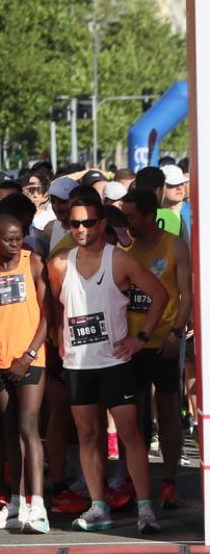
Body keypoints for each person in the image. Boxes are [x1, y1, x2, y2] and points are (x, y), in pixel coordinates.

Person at [46, 196, 168, 533]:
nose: (81, 229)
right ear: (68, 227)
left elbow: (160, 295)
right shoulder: (58, 264)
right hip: (77, 364)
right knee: (87, 436)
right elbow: (56, 304)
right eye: (75, 224)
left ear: (101, 225)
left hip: (115, 361)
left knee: (129, 433)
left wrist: (140, 338)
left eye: (88, 223)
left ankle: (146, 510)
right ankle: (98, 507)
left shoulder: (120, 261)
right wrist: (60, 331)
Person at [0, 214, 49, 533]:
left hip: (30, 359)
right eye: (9, 239)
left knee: (28, 426)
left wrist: (28, 356)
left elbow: (49, 317)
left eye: (19, 238)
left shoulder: (33, 263)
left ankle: (39, 506)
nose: (16, 244)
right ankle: (16, 503)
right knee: (7, 431)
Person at [120, 188, 192, 509]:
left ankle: (170, 481)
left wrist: (177, 334)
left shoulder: (174, 244)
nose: (127, 221)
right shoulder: (125, 246)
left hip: (165, 341)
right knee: (131, 414)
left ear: (150, 216)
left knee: (167, 410)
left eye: (132, 216)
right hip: (132, 344)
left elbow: (187, 294)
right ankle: (135, 481)